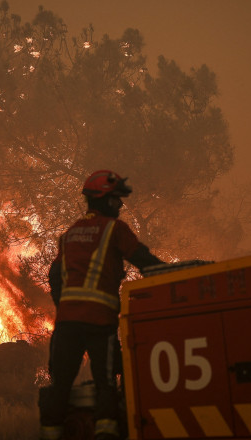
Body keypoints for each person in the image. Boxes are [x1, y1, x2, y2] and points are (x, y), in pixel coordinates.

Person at [39, 170, 164, 440]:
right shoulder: (114, 229)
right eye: (117, 199)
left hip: (67, 324)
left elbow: (54, 277)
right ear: (106, 200)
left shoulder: (70, 234)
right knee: (107, 382)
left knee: (60, 385)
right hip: (100, 323)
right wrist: (169, 273)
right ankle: (106, 433)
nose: (119, 205)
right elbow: (141, 258)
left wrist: (65, 308)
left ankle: (50, 434)